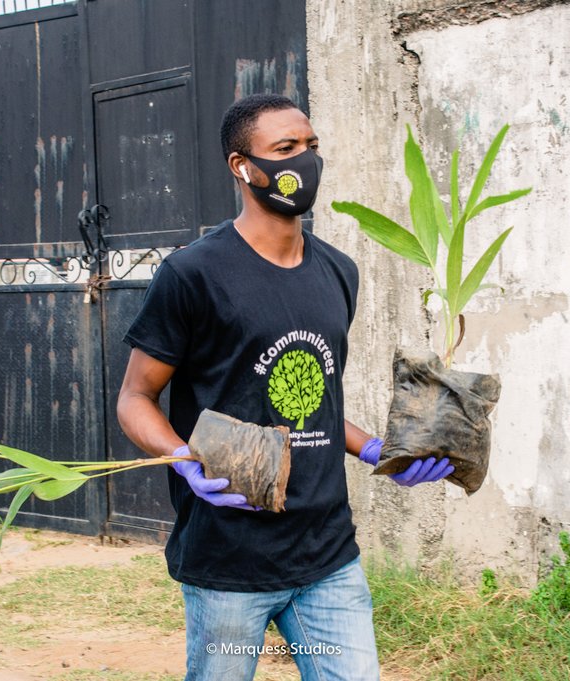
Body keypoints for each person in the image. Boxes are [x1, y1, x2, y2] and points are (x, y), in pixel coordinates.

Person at [116, 93, 455, 681]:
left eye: (311, 146)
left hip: (327, 552)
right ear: (242, 166)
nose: (304, 160)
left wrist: (376, 449)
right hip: (230, 555)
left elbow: (316, 401)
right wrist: (181, 458)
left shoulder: (337, 272)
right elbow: (134, 398)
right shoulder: (192, 274)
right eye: (284, 149)